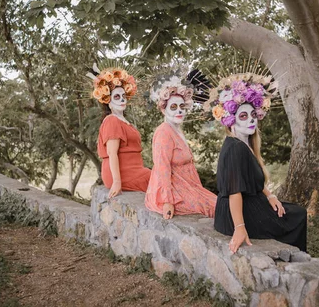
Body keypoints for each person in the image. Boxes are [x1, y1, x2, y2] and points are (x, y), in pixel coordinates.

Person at [205, 73, 307, 253]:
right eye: (243, 116)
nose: (251, 119)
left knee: (291, 209)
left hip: (247, 203)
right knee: (297, 216)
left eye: (253, 114)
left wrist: (270, 196)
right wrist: (239, 227)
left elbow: (253, 179)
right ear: (231, 120)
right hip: (236, 213)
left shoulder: (245, 144)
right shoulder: (236, 148)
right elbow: (234, 192)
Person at [145, 77, 216, 219]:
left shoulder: (176, 129)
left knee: (220, 204)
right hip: (173, 192)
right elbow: (162, 167)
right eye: (173, 107)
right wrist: (167, 201)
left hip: (187, 186)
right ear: (164, 109)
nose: (179, 111)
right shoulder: (164, 132)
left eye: (182, 107)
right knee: (214, 207)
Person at [91, 67, 151, 198]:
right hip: (122, 174)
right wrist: (117, 182)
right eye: (117, 96)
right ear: (109, 102)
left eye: (124, 96)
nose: (122, 99)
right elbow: (112, 153)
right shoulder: (112, 120)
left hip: (136, 170)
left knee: (162, 178)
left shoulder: (124, 121)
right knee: (159, 181)